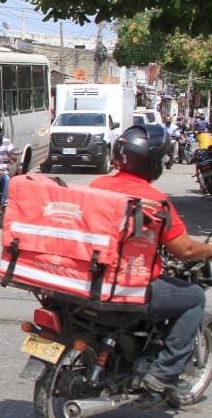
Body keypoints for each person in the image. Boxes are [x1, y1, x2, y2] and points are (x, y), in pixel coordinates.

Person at [91, 125, 212, 393]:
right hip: (123, 285)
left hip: (90, 277)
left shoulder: (97, 185)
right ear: (153, 161)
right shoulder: (155, 200)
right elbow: (185, 250)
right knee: (194, 297)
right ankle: (163, 374)